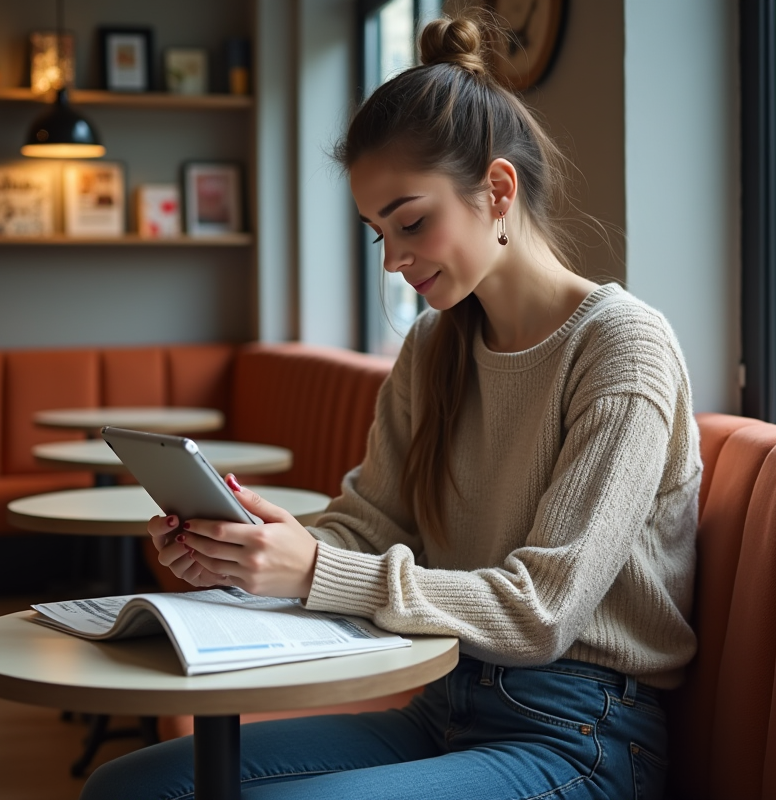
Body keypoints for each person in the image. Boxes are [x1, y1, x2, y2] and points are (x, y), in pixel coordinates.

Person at [82, 13, 700, 800]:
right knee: (130, 789)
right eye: (379, 233)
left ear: (498, 190)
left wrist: (314, 569)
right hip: (442, 703)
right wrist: (254, 550)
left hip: (579, 734)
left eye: (411, 221)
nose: (395, 259)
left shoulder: (622, 348)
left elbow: (541, 614)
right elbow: (368, 529)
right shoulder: (436, 346)